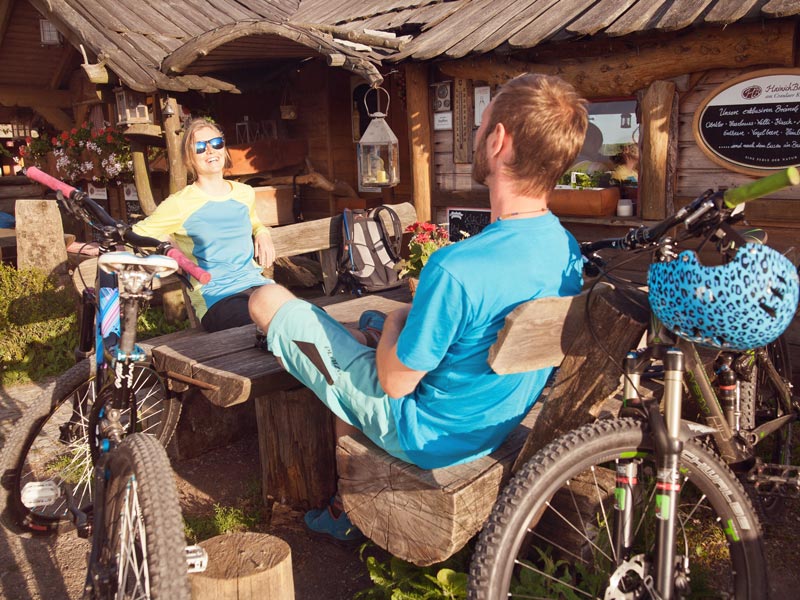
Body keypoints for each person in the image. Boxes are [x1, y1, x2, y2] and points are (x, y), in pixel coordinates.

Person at [247, 73, 587, 540]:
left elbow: (394, 381)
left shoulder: (457, 267)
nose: (476, 134)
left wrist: (394, 322)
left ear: (499, 141)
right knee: (357, 334)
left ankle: (348, 509)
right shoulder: (565, 248)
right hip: (491, 422)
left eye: (481, 124)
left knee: (267, 300)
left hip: (427, 436)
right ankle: (347, 495)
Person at [132, 118, 276, 332]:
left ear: (224, 148)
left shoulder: (244, 193)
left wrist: (262, 232)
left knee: (306, 316)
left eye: (216, 143)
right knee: (271, 327)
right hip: (217, 298)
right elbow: (136, 234)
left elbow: (252, 220)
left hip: (257, 285)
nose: (210, 151)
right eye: (200, 147)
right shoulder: (180, 203)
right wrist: (167, 244)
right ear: (189, 157)